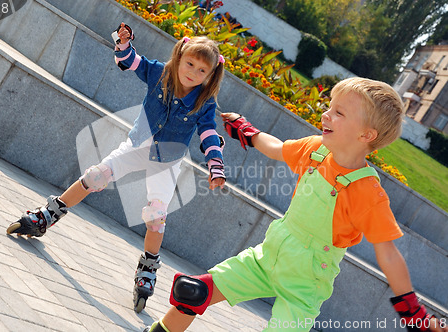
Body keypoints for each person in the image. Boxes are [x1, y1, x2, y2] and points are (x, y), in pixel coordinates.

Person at [144, 77, 448, 331]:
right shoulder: (316, 149)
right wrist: (248, 133)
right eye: (329, 106)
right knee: (194, 292)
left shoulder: (367, 192)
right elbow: (276, 148)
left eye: (339, 112)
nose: (326, 114)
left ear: (366, 135)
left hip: (305, 283)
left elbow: (389, 255)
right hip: (267, 257)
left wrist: (413, 312)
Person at [6, 23, 227, 313]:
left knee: (156, 216)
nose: (193, 73)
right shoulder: (160, 73)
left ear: (211, 76)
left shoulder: (204, 102)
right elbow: (130, 62)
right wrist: (123, 43)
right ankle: (47, 216)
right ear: (180, 56)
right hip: (136, 148)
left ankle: (148, 267)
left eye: (202, 71)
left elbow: (209, 134)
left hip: (167, 162)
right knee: (94, 176)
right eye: (190, 64)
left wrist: (215, 165)